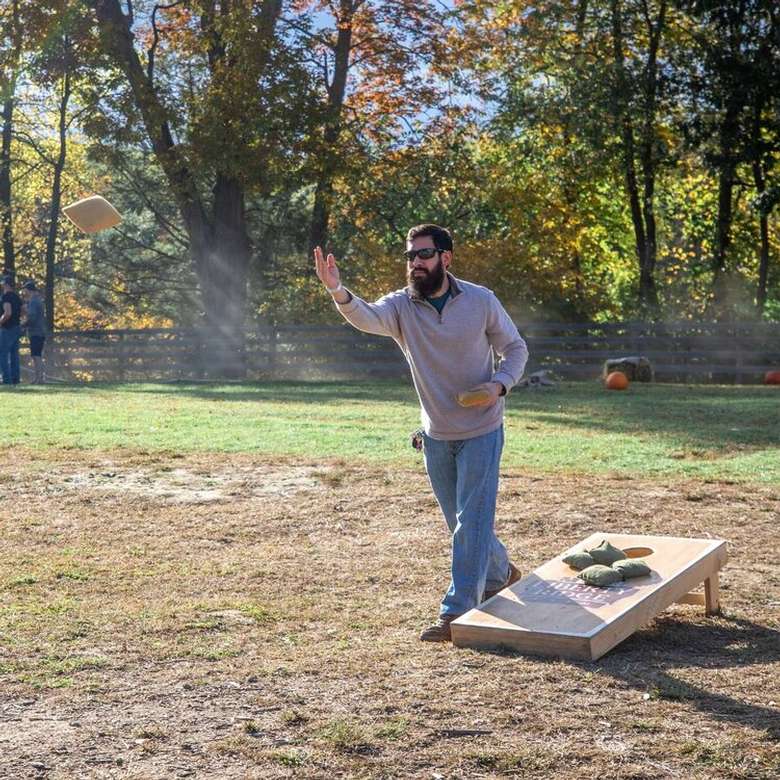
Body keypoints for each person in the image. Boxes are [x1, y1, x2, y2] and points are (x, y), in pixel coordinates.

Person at [314, 225, 529, 642]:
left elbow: (515, 348)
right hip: (436, 433)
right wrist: (338, 291)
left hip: (483, 428)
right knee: (461, 522)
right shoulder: (401, 306)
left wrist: (499, 384)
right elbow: (366, 316)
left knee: (471, 522)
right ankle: (501, 571)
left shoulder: (481, 300)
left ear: (446, 259)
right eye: (411, 255)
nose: (416, 262)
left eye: (425, 254)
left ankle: (457, 613)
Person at [22, 280, 46, 384]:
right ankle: (39, 378)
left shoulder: (33, 301)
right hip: (40, 331)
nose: (24, 292)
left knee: (36, 356)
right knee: (37, 355)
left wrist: (23, 325)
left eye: (25, 290)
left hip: (36, 332)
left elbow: (32, 317)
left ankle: (39, 378)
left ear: (29, 290)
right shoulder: (38, 300)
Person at [0, 274, 23, 386]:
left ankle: (6, 379)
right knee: (14, 355)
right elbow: (25, 311)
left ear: (6, 284)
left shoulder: (6, 296)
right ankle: (15, 379)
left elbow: (7, 313)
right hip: (17, 327)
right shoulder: (17, 297)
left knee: (2, 354)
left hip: (7, 328)